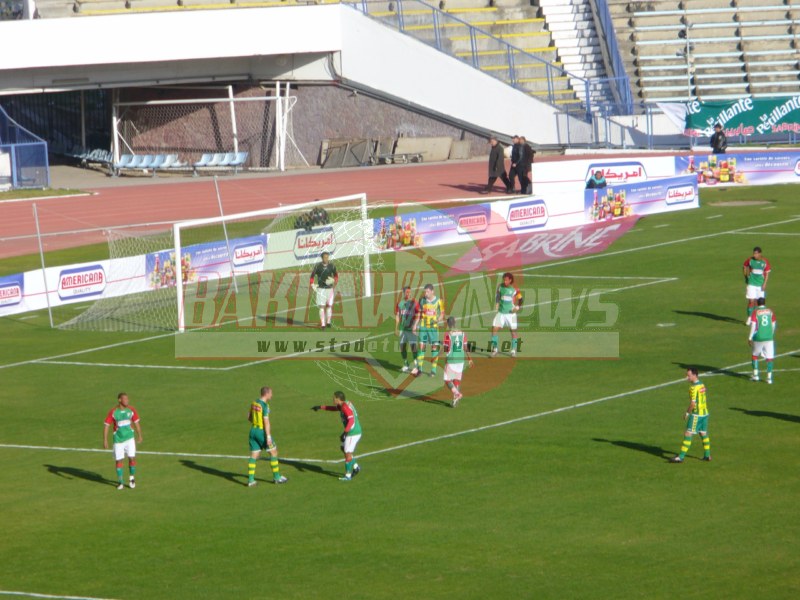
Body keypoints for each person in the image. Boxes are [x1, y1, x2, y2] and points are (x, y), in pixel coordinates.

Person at [312, 391, 362, 482]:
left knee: (347, 452)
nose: (333, 399)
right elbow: (334, 408)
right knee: (343, 449)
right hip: (351, 431)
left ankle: (347, 475)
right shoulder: (343, 404)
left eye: (334, 398)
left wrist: (345, 433)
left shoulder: (345, 407)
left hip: (353, 433)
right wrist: (320, 407)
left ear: (338, 399)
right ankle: (356, 467)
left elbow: (351, 421)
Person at [247, 386, 288, 486]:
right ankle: (277, 477)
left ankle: (251, 480)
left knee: (254, 455)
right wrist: (268, 436)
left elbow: (249, 417)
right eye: (271, 393)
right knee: (273, 452)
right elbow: (266, 422)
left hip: (253, 430)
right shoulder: (265, 406)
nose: (272, 395)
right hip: (262, 432)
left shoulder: (254, 403)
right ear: (266, 394)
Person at [103, 392, 143, 490]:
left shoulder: (131, 410)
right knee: (119, 460)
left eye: (127, 399)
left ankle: (132, 478)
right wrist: (105, 440)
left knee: (132, 458)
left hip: (129, 438)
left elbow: (137, 423)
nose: (127, 401)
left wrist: (140, 435)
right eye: (124, 399)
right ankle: (120, 482)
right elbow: (106, 425)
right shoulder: (113, 412)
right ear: (119, 400)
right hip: (118, 440)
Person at [670, 368, 711, 463]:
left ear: (695, 375)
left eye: (688, 375)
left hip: (697, 415)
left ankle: (681, 457)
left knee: (688, 433)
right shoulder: (702, 384)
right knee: (703, 433)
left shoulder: (693, 388)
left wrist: (687, 413)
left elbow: (693, 403)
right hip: (705, 413)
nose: (686, 377)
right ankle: (707, 455)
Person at [412, 283, 446, 377]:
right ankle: (420, 369)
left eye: (427, 291)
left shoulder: (439, 301)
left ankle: (433, 370)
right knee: (421, 347)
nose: (426, 293)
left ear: (432, 291)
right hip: (423, 327)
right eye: (425, 291)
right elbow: (419, 313)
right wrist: (415, 325)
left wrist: (438, 320)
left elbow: (442, 314)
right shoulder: (422, 300)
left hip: (433, 328)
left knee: (434, 348)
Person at [490, 272, 523, 357]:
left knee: (513, 332)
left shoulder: (515, 289)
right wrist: (497, 303)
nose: (505, 282)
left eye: (506, 280)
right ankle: (495, 349)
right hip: (501, 312)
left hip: (511, 314)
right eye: (504, 280)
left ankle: (513, 350)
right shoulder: (500, 286)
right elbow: (498, 295)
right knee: (494, 330)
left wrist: (518, 307)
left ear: (510, 280)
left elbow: (520, 299)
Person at [443, 316, 474, 407]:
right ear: (455, 323)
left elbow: (446, 348)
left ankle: (457, 393)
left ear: (448, 324)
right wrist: (470, 358)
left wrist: (446, 357)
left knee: (447, 379)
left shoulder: (447, 334)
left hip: (452, 359)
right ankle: (455, 399)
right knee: (456, 379)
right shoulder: (462, 333)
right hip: (461, 359)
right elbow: (465, 347)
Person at [748, 297, 776, 384]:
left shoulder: (755, 312)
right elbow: (773, 323)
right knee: (769, 357)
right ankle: (769, 378)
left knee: (755, 355)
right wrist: (771, 333)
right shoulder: (770, 311)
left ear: (757, 303)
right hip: (769, 337)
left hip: (758, 337)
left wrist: (750, 337)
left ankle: (755, 375)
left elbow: (753, 325)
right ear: (764, 302)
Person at [309, 251, 338, 330]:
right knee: (322, 307)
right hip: (321, 289)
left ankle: (328, 322)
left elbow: (336, 276)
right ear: (322, 258)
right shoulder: (317, 267)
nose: (326, 259)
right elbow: (312, 277)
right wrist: (312, 284)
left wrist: (334, 281)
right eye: (325, 257)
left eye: (327, 257)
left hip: (329, 289)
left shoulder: (332, 266)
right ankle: (323, 324)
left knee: (329, 306)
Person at [395, 286, 421, 372]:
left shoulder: (414, 302)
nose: (408, 293)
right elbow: (398, 315)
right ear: (403, 293)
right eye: (407, 292)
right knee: (402, 346)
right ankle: (406, 364)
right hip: (403, 329)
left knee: (413, 347)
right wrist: (396, 328)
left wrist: (415, 325)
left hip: (411, 329)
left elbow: (419, 314)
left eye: (409, 292)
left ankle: (416, 365)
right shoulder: (400, 303)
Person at [743, 246, 771, 323]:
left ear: (760, 254)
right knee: (751, 301)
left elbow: (767, 273)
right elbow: (744, 266)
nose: (754, 255)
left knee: (758, 302)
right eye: (754, 253)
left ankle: (755, 317)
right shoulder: (750, 260)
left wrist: (764, 284)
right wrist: (746, 276)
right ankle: (749, 317)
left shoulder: (764, 261)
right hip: (751, 283)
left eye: (756, 253)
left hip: (760, 285)